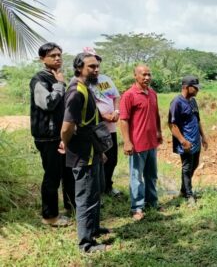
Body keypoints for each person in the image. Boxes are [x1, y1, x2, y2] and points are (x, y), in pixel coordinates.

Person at [61, 52, 110, 253]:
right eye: (91, 67)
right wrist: (65, 143)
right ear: (79, 68)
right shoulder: (76, 92)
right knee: (85, 199)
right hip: (83, 154)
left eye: (97, 66)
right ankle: (86, 244)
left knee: (95, 194)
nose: (96, 70)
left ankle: (94, 229)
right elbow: (67, 127)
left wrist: (100, 152)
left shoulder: (87, 88)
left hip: (93, 151)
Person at [29, 42, 75, 227]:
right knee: (52, 176)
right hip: (48, 137)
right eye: (52, 55)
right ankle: (50, 217)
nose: (57, 58)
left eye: (59, 55)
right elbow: (47, 103)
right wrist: (59, 85)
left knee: (68, 172)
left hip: (61, 134)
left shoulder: (56, 77)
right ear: (42, 59)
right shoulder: (39, 79)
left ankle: (71, 206)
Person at [119, 65, 163, 221]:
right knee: (136, 177)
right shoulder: (129, 95)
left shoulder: (152, 93)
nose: (147, 78)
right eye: (143, 75)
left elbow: (156, 115)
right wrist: (127, 142)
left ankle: (152, 202)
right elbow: (123, 120)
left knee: (151, 175)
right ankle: (137, 207)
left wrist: (159, 132)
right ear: (135, 76)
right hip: (137, 144)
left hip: (151, 142)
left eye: (149, 74)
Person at [84, 47, 122, 197]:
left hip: (110, 128)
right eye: (91, 61)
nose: (96, 65)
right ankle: (96, 190)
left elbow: (116, 97)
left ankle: (107, 186)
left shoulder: (105, 80)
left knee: (111, 159)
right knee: (97, 160)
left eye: (97, 61)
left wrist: (116, 112)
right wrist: (102, 115)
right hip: (94, 129)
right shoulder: (82, 82)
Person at [168, 75, 208, 206]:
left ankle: (184, 190)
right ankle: (189, 195)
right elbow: (172, 125)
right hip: (186, 143)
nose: (198, 90)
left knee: (194, 165)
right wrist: (182, 140)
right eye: (195, 88)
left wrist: (203, 137)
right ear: (186, 87)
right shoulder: (176, 102)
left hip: (195, 141)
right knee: (187, 167)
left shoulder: (192, 101)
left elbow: (198, 120)